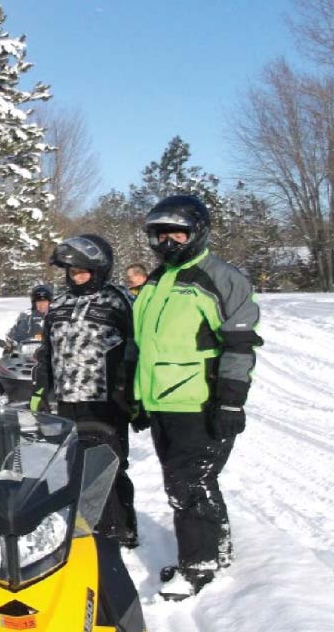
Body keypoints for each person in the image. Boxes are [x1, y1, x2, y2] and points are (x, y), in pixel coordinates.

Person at [133, 195, 263, 600]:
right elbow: (145, 345)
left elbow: (239, 344)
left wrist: (230, 400)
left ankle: (201, 567)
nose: (168, 242)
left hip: (199, 403)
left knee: (190, 484)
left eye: (177, 233)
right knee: (184, 483)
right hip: (162, 403)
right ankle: (214, 552)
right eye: (160, 235)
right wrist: (137, 396)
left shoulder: (219, 277)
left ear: (197, 232)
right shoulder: (156, 280)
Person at [31, 235, 140, 548]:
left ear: (99, 269)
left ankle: (120, 531)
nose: (76, 275)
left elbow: (137, 347)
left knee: (109, 465)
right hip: (68, 398)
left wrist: (132, 394)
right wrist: (43, 386)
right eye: (72, 270)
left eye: (83, 270)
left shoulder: (118, 300)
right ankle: (83, 526)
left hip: (106, 399)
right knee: (74, 464)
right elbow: (48, 349)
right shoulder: (60, 303)